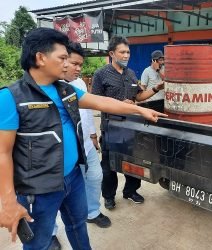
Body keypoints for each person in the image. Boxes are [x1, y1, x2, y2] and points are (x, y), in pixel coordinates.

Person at [0, 27, 165, 249]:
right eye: (62, 58)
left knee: (78, 226)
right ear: (40, 58)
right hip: (38, 189)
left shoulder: (65, 90)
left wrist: (140, 110)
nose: (68, 65)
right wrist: (8, 201)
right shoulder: (10, 97)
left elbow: (100, 101)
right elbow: (3, 153)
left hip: (73, 178)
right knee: (39, 242)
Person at [49, 41, 112, 249]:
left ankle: (92, 212)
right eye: (74, 63)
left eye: (80, 65)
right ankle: (50, 233)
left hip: (84, 145)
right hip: (54, 157)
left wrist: (93, 136)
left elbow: (87, 114)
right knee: (51, 200)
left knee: (94, 177)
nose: (78, 69)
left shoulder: (79, 85)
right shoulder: (43, 90)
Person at [92, 36, 164, 209]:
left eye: (128, 52)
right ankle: (109, 196)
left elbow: (138, 96)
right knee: (109, 167)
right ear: (112, 53)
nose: (126, 55)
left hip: (132, 128)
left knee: (134, 162)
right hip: (112, 128)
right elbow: (95, 101)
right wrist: (120, 104)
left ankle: (130, 191)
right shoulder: (101, 74)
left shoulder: (131, 74)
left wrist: (156, 88)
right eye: (122, 52)